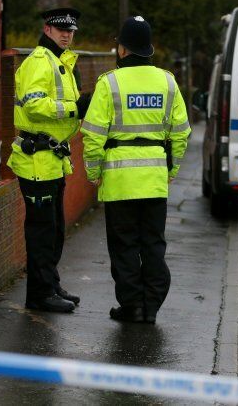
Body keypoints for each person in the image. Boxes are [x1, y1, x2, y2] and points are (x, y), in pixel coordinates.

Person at [81, 16, 191, 323]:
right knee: (153, 244)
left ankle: (132, 305)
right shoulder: (168, 81)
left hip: (119, 181)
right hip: (154, 180)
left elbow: (92, 134)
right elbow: (181, 131)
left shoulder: (110, 83)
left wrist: (93, 172)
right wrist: (172, 167)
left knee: (125, 245)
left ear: (123, 50)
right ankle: (152, 306)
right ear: (149, 48)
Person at [8, 7, 92, 313]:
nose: (67, 35)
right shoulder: (39, 62)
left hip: (52, 158)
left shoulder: (61, 63)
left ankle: (51, 285)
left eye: (70, 31)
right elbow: (34, 106)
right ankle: (39, 295)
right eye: (61, 30)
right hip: (36, 160)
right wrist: (75, 108)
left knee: (54, 228)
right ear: (47, 30)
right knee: (42, 231)